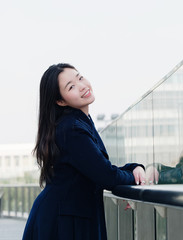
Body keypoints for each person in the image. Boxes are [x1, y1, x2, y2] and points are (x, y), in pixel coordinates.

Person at [22, 63, 146, 240]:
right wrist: (134, 176)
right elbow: (106, 176)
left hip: (67, 216)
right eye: (71, 86)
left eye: (80, 78)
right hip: (62, 222)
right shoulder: (72, 129)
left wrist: (132, 168)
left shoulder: (79, 122)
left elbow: (96, 167)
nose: (82, 86)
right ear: (60, 101)